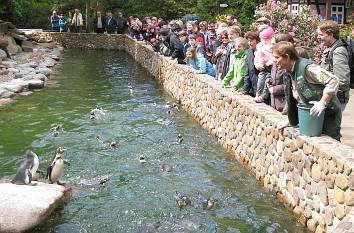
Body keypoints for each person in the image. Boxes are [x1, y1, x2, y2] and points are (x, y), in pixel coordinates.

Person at [274, 41, 342, 141]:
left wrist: (322, 102)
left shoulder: (308, 68)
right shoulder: (289, 72)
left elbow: (333, 80)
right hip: (312, 116)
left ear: (287, 57)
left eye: (276, 57)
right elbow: (296, 96)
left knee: (330, 143)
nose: (274, 61)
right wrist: (290, 120)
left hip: (328, 114)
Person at [317, 20, 350, 111]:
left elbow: (342, 80)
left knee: (331, 125)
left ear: (331, 34)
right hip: (330, 98)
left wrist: (328, 97)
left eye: (321, 35)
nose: (318, 37)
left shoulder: (338, 51)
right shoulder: (330, 48)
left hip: (335, 99)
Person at [242, 31, 260, 96]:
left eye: (251, 41)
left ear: (258, 40)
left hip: (262, 88)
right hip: (253, 88)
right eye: (248, 41)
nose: (249, 43)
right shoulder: (249, 52)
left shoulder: (263, 52)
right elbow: (247, 72)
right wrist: (245, 90)